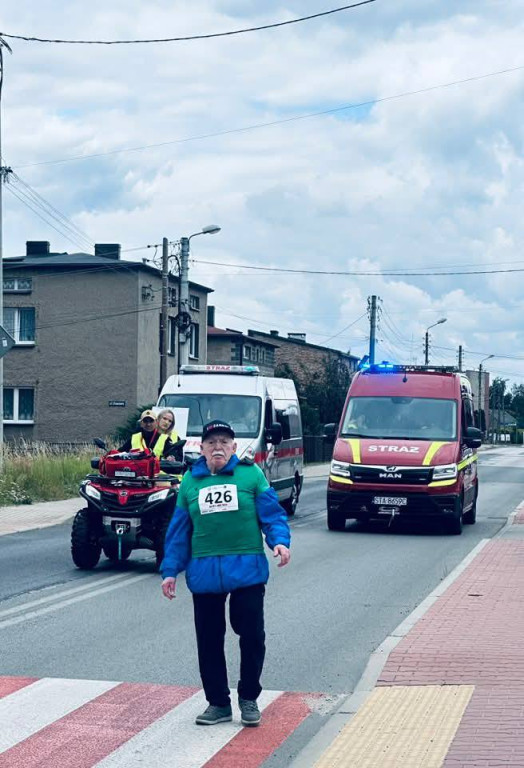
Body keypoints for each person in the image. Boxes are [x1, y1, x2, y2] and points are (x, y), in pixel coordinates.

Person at [161, 419, 291, 728]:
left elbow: (272, 516)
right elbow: (179, 532)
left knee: (251, 635)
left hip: (246, 569)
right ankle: (218, 703)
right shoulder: (190, 482)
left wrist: (280, 543)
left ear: (233, 447)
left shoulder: (251, 474)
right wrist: (169, 571)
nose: (217, 447)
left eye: (224, 442)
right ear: (201, 448)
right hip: (205, 572)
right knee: (208, 640)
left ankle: (248, 697)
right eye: (211, 442)